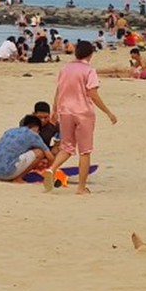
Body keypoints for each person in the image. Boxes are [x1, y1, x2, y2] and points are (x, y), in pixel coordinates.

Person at [43, 40, 117, 194]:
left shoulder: (65, 68)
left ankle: (51, 169)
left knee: (67, 146)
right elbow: (93, 94)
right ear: (90, 54)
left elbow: (59, 89)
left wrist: (54, 109)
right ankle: (81, 188)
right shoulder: (89, 70)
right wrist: (108, 112)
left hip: (65, 111)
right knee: (85, 151)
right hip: (83, 113)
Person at [0, 115, 53, 181]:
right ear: (37, 128)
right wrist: (50, 169)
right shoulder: (33, 135)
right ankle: (19, 178)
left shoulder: (10, 131)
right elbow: (50, 157)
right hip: (6, 173)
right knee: (40, 152)